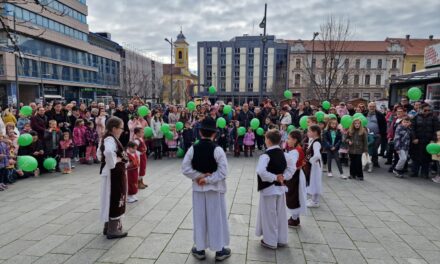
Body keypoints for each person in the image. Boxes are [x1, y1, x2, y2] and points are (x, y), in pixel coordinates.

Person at [181, 117, 231, 261]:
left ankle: (200, 248)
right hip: (215, 189)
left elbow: (185, 169)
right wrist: (207, 178)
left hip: (198, 188)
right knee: (217, 218)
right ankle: (220, 249)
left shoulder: (193, 148)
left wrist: (199, 176)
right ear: (214, 134)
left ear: (200, 132)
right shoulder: (218, 150)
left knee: (200, 218)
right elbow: (223, 172)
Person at [255, 129, 295, 249]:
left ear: (268, 140)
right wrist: (283, 177)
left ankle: (270, 240)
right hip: (280, 188)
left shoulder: (265, 155)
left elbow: (261, 171)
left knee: (269, 214)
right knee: (281, 214)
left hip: (268, 189)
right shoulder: (285, 154)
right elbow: (291, 168)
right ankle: (282, 239)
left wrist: (274, 178)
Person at [98, 116, 128, 239]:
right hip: (113, 174)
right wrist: (114, 162)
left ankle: (108, 226)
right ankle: (113, 229)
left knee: (110, 198)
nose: (122, 130)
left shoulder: (108, 138)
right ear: (114, 128)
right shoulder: (110, 139)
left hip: (113, 173)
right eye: (121, 128)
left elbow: (99, 154)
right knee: (114, 198)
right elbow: (108, 153)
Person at [285, 130, 307, 228]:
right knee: (295, 195)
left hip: (294, 176)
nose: (287, 141)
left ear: (295, 140)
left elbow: (291, 165)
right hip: (297, 174)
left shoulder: (295, 151)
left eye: (289, 139)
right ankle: (295, 217)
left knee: (294, 195)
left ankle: (294, 219)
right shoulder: (298, 149)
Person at [411, 103, 439, 178]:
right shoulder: (416, 117)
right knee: (416, 157)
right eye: (425, 110)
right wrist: (414, 138)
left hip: (428, 141)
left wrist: (433, 139)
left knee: (426, 158)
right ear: (421, 109)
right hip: (418, 140)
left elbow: (436, 130)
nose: (427, 112)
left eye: (429, 110)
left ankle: (425, 173)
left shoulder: (434, 118)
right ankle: (414, 172)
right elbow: (412, 129)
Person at [365, 102, 387, 169]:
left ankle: (375, 162)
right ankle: (366, 161)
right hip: (366, 134)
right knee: (367, 148)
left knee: (375, 148)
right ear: (368, 107)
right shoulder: (364, 114)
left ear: (375, 107)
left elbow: (384, 125)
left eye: (373, 106)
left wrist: (381, 134)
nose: (372, 108)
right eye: (370, 106)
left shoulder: (380, 115)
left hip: (377, 135)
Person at [305, 125, 322, 207]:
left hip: (315, 166)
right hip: (314, 165)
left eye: (309, 131)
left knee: (315, 181)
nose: (307, 133)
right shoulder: (313, 141)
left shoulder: (316, 143)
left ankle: (315, 201)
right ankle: (313, 199)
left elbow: (317, 155)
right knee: (313, 181)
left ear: (315, 132)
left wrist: (311, 160)